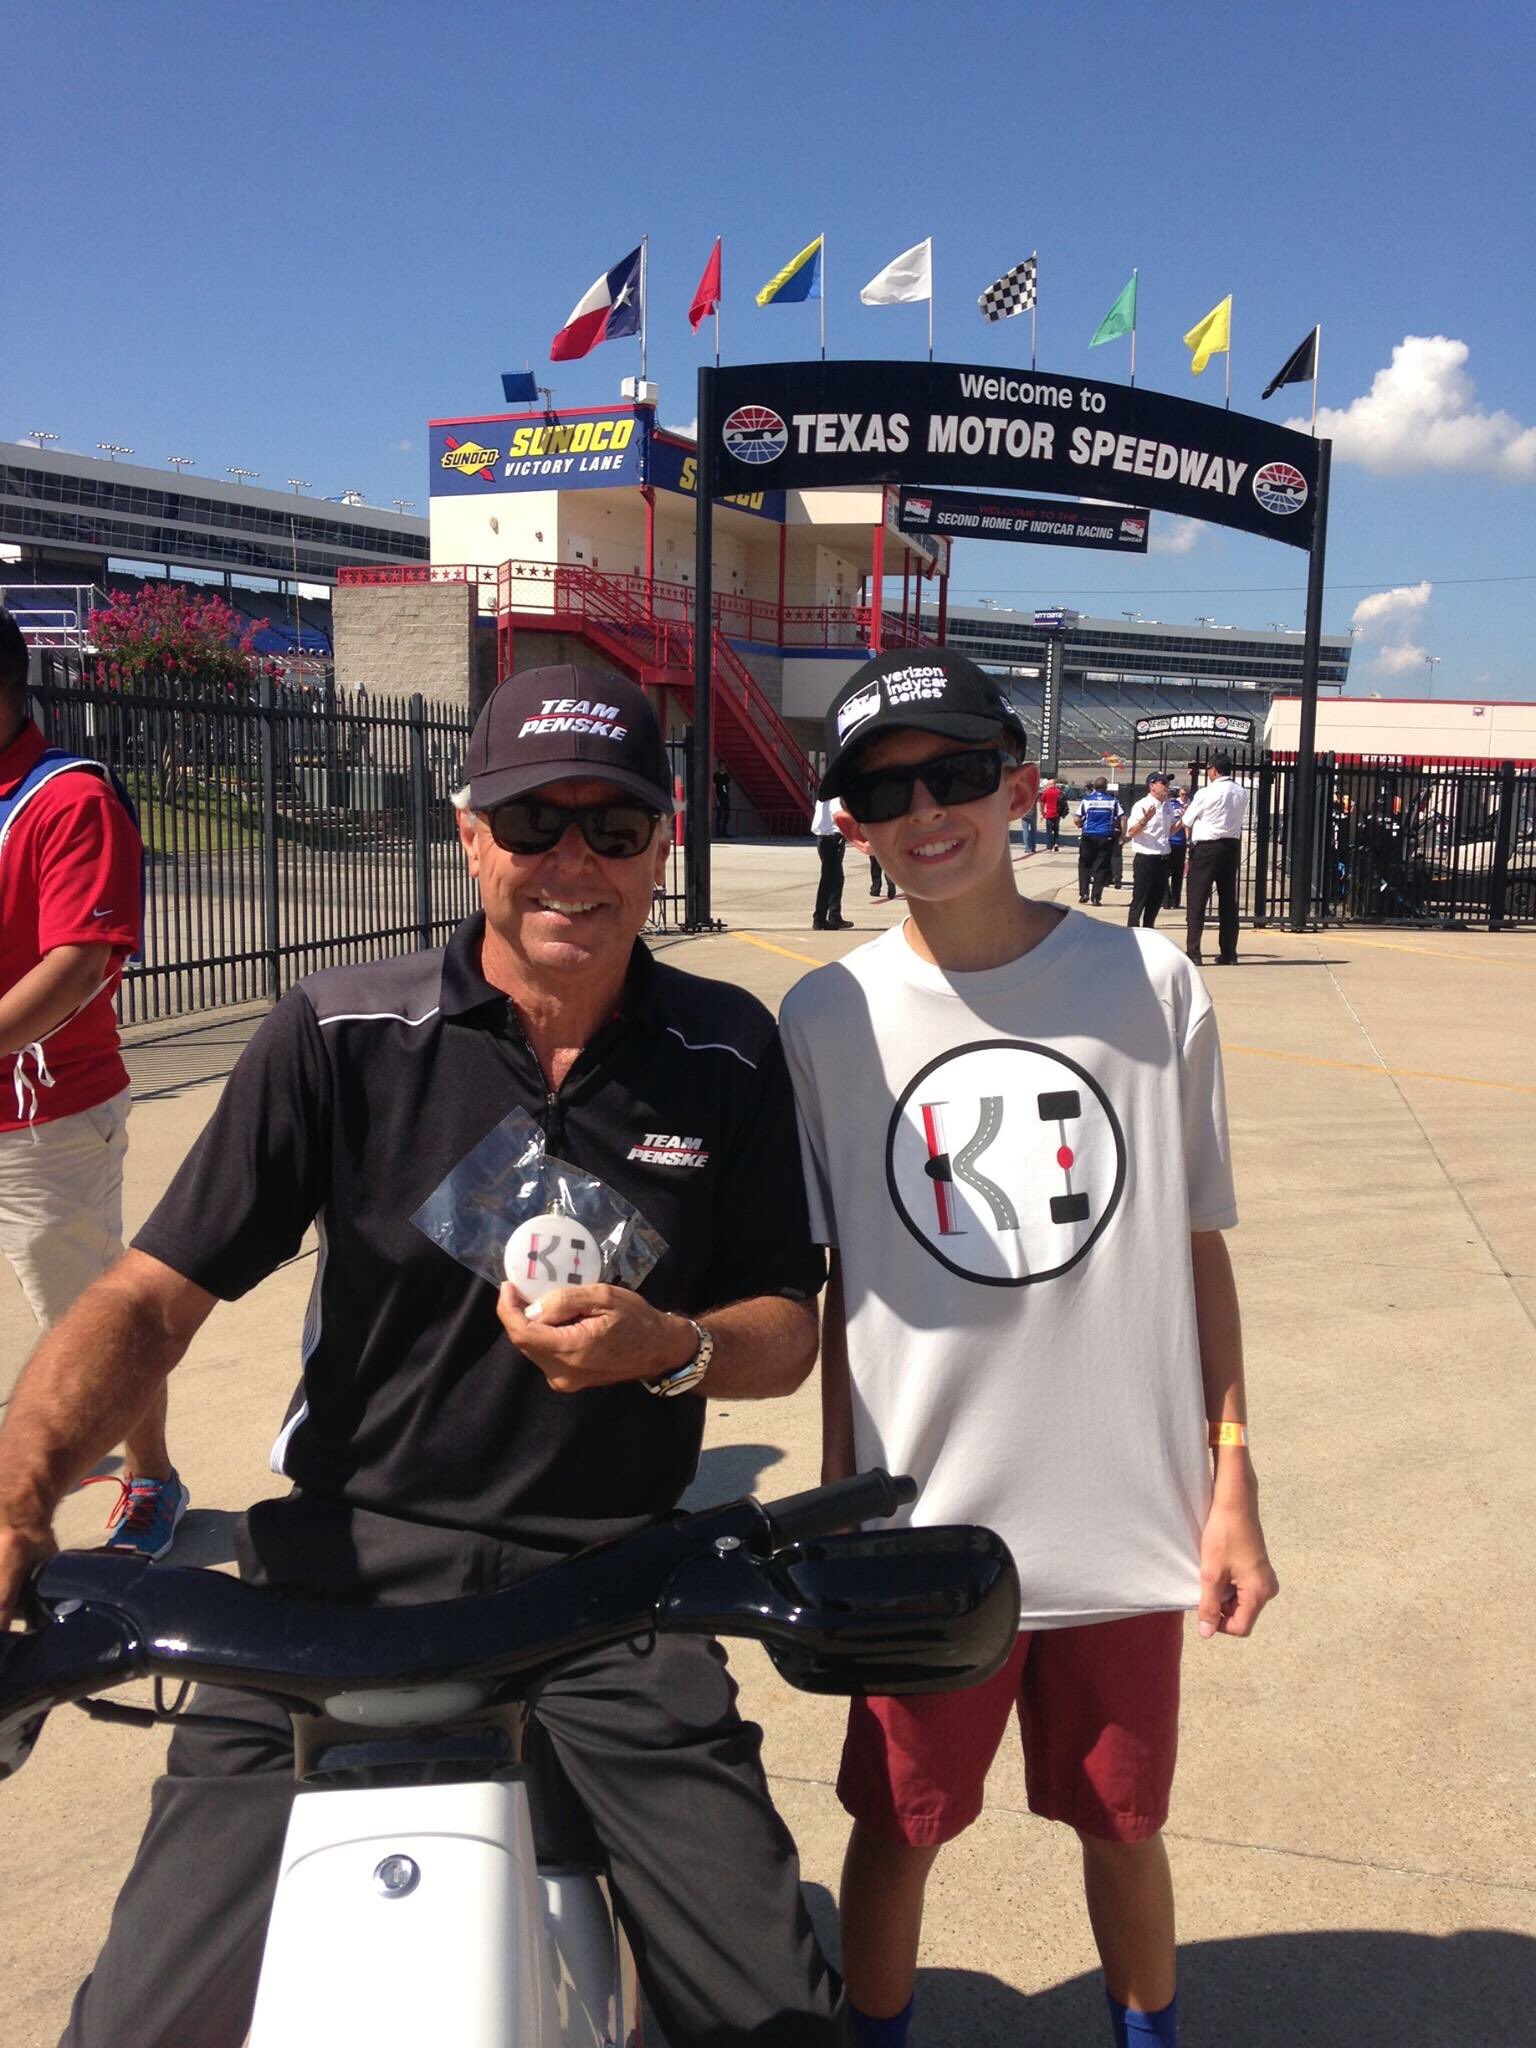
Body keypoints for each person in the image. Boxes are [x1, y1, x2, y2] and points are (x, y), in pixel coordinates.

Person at [0, 666, 846, 2048]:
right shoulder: (340, 1033)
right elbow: (151, 1297)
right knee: (142, 2026)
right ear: (468, 835)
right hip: (345, 1563)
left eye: (614, 829)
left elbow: (787, 1332)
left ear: (662, 837)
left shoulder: (727, 1050)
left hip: (619, 1578)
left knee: (772, 2015)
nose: (572, 863)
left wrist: (673, 1349)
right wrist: (18, 1484)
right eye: (532, 824)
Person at [779, 647, 1278, 2048]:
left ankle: (1149, 2032)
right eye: (884, 791)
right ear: (854, 827)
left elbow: (1195, 1250)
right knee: (900, 1828)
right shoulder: (826, 1018)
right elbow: (838, 1291)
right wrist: (834, 1517)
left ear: (1016, 780)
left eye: (955, 773)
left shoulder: (1151, 984)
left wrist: (1230, 1482)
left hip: (1124, 1519)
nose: (926, 810)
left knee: (1126, 1824)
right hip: (924, 1531)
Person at [0, 607, 186, 1560]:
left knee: (93, 1321)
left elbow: (80, 962)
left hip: (44, 1119)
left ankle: (151, 1474)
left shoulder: (65, 801)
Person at [1182, 754, 1250, 967]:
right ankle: (1229, 952)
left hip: (1207, 847)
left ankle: (1194, 952)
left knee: (1197, 900)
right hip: (1230, 846)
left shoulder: (1206, 792)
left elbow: (1187, 819)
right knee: (1228, 902)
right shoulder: (1241, 792)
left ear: (1214, 770)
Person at [1124, 772, 1173, 929]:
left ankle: (1149, 929)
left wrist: (1184, 822)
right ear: (1152, 786)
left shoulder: (1168, 806)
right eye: (1163, 783)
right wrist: (1146, 819)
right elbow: (1131, 832)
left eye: (1167, 783)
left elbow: (1168, 831)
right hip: (1146, 858)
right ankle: (1132, 931)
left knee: (1156, 899)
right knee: (1140, 898)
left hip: (1163, 858)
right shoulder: (1142, 805)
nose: (1167, 786)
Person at [1074, 776, 1122, 906]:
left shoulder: (1087, 800)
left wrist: (1080, 826)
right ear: (1106, 788)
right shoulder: (1113, 801)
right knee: (1102, 867)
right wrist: (1120, 833)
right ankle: (1096, 897)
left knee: (1084, 864)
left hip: (1089, 835)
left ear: (1094, 787)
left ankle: (1084, 892)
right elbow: (1121, 817)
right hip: (1106, 836)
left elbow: (1077, 818)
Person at [812, 793, 852, 930]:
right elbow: (839, 816)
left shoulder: (822, 799)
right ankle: (820, 918)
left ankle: (833, 915)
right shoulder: (835, 799)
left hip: (824, 839)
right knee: (829, 880)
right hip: (832, 840)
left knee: (835, 879)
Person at [1164, 780, 1189, 911]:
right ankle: (1176, 900)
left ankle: (1166, 901)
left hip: (1167, 842)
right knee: (1177, 874)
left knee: (1164, 873)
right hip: (1180, 843)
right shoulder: (1182, 808)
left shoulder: (1165, 807)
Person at [1039, 775, 1064, 851]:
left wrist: (1042, 813)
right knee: (1056, 830)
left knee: (1049, 831)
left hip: (1049, 814)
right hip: (1057, 814)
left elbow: (1042, 803)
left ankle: (1049, 846)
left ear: (1050, 784)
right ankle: (1056, 843)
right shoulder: (1059, 792)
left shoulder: (1046, 792)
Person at [713, 760, 732, 838]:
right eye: (721, 766)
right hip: (719, 796)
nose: (722, 767)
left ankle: (725, 831)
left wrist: (728, 794)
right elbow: (714, 787)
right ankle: (718, 832)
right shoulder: (716, 775)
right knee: (719, 815)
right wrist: (716, 798)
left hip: (725, 796)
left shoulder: (726, 776)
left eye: (723, 766)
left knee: (727, 814)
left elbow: (728, 786)